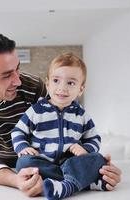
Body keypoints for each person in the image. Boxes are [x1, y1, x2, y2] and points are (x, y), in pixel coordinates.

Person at [0, 31, 121, 197]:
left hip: (51, 161)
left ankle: (71, 182)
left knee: (97, 161)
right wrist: (16, 180)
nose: (18, 80)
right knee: (25, 163)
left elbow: (69, 130)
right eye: (7, 75)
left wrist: (100, 168)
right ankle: (78, 181)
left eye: (17, 68)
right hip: (19, 164)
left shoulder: (33, 86)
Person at [11, 52, 108, 199]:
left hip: (70, 162)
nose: (62, 88)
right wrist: (23, 147)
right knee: (22, 163)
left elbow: (94, 138)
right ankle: (81, 182)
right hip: (43, 162)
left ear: (80, 89)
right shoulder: (36, 111)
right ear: (48, 84)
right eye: (56, 80)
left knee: (99, 158)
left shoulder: (81, 115)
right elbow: (18, 131)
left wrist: (85, 149)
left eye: (71, 83)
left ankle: (65, 185)